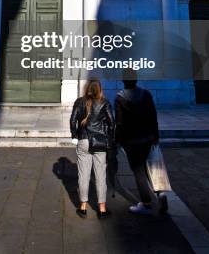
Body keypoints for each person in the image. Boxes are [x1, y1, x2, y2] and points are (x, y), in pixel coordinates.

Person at [115, 70, 167, 215]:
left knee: (139, 172)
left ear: (124, 81)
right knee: (152, 167)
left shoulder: (120, 98)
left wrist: (117, 140)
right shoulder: (146, 94)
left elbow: (120, 123)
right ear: (136, 80)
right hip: (148, 138)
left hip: (132, 141)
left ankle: (146, 204)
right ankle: (161, 194)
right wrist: (156, 136)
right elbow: (153, 116)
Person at [70, 79, 115, 219]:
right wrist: (110, 139)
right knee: (100, 175)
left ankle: (83, 207)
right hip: (100, 143)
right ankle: (102, 208)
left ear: (87, 88)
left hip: (83, 140)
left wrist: (74, 136)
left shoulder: (79, 102)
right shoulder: (105, 103)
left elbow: (72, 120)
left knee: (83, 175)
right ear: (100, 89)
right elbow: (112, 123)